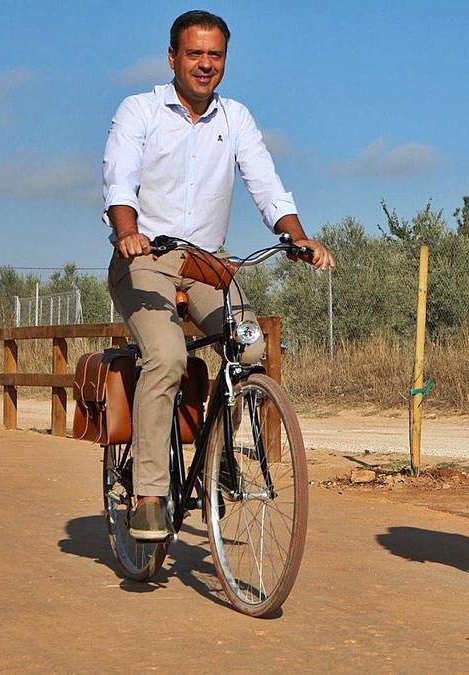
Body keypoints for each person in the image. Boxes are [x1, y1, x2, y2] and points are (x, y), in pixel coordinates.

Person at [102, 10, 335, 541]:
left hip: (207, 263)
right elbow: (119, 180)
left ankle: (217, 457)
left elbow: (267, 185)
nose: (205, 64)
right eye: (194, 54)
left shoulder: (236, 119)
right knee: (166, 356)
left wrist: (296, 236)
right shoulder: (139, 110)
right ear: (172, 58)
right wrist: (127, 231)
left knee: (249, 348)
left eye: (215, 55)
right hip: (144, 259)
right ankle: (149, 493)